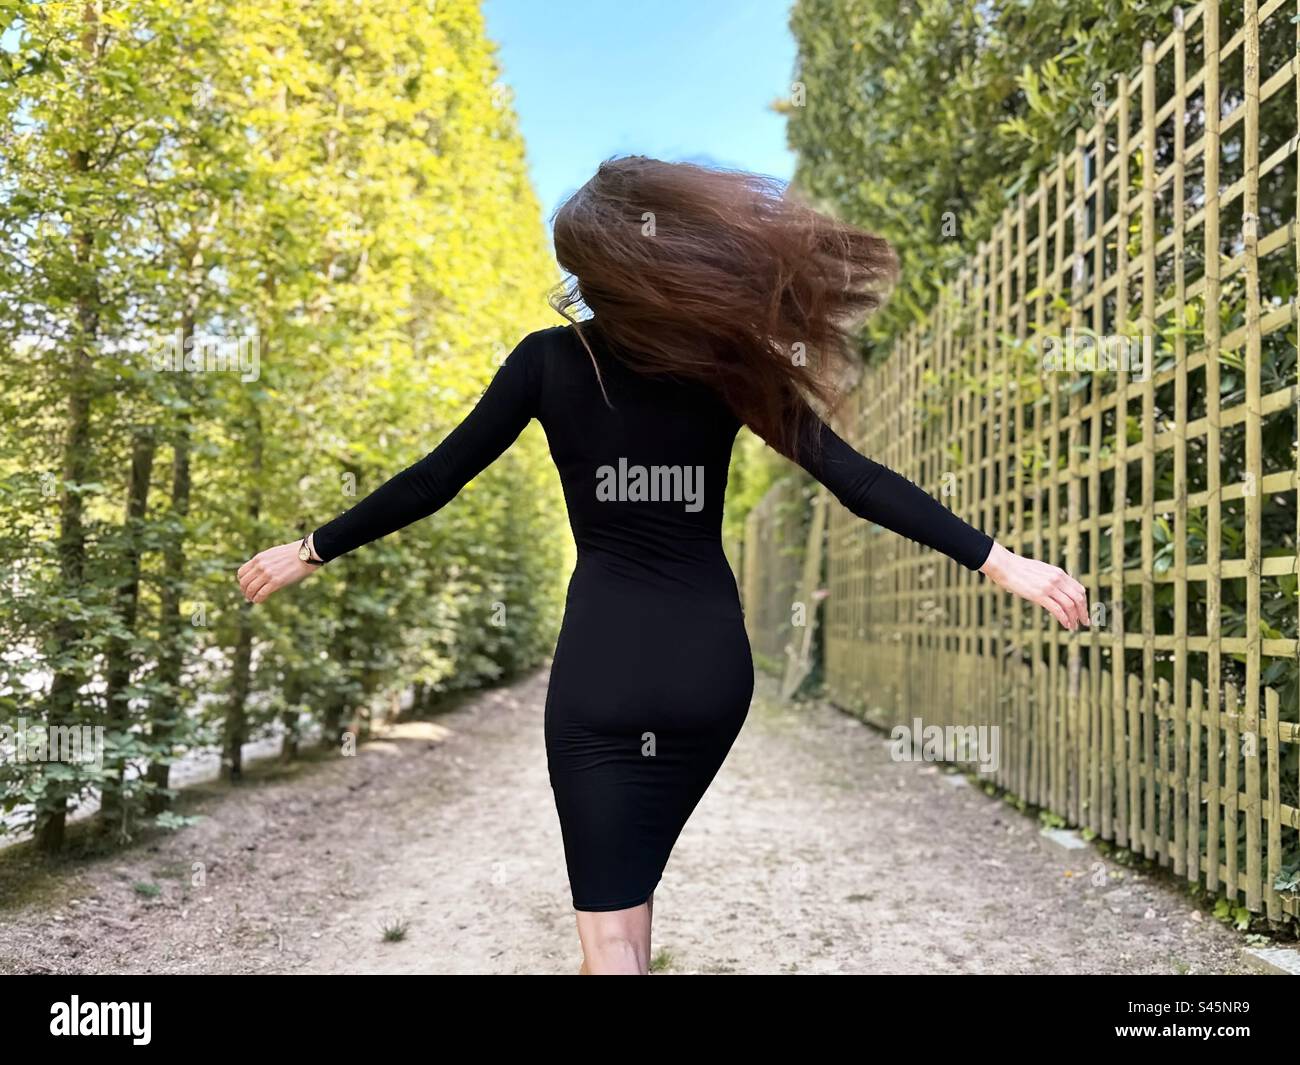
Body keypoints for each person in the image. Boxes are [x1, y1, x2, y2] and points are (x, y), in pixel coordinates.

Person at [237, 157, 1089, 975]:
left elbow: (434, 478)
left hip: (603, 672)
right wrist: (1000, 560)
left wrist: (313, 547)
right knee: (626, 907)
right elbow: (854, 479)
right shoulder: (724, 366)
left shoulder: (546, 361)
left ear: (591, 271)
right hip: (708, 673)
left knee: (610, 941)